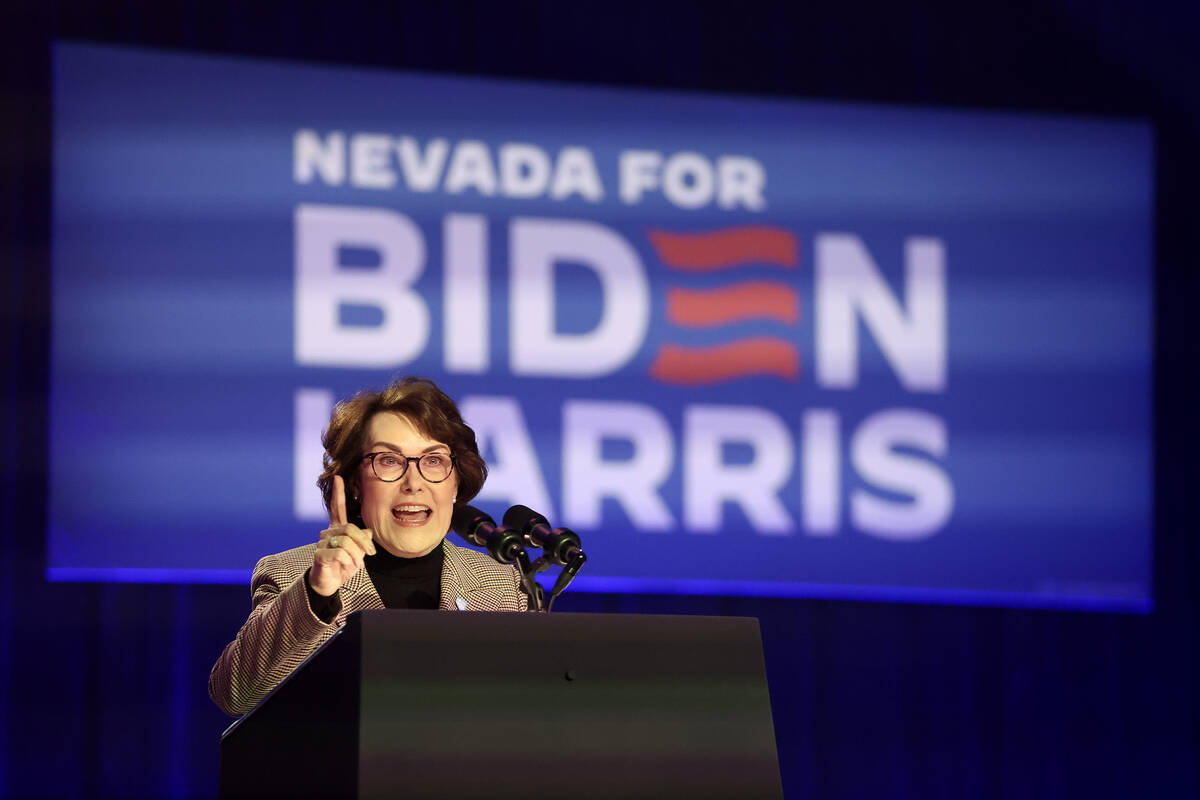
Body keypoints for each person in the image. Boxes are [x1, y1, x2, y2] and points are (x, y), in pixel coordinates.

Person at [209, 377, 528, 717]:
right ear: (356, 485)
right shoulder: (294, 576)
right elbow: (235, 693)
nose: (413, 483)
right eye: (389, 461)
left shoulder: (503, 589)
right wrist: (318, 591)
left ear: (455, 482)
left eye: (433, 461)